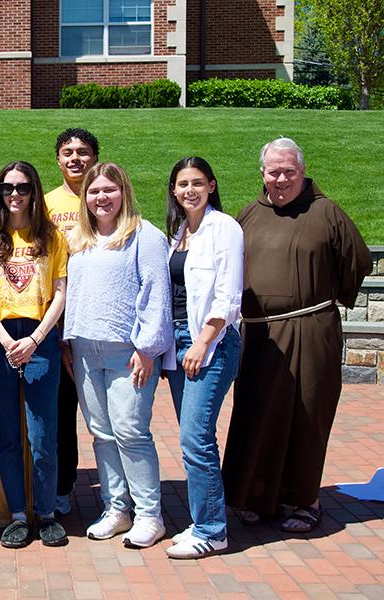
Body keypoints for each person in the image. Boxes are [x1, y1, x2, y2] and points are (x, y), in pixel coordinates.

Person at [222, 138, 371, 533]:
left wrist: (319, 298)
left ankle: (304, 500)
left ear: (303, 171)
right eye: (274, 171)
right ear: (262, 174)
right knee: (256, 416)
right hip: (259, 337)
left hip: (311, 330)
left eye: (290, 170)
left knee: (307, 414)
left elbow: (356, 260)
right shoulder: (248, 215)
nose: (282, 178)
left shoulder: (327, 213)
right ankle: (256, 496)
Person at [64, 162, 172, 549]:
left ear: (123, 191)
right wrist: (67, 342)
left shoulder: (145, 236)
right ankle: (116, 508)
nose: (101, 197)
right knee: (102, 433)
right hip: (85, 350)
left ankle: (149, 514)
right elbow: (72, 293)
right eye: (94, 191)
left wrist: (147, 348)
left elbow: (156, 295)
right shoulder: (80, 239)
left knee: (130, 431)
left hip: (129, 351)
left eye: (109, 190)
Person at [0, 161, 69, 549]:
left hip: (40, 336)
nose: (15, 194)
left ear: (34, 191)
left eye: (23, 187)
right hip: (0, 341)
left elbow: (60, 291)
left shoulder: (52, 236)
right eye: (9, 188)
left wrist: (37, 337)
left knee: (43, 434)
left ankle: (45, 513)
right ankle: (16, 515)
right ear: (0, 193)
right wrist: (1, 336)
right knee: (8, 432)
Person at [160, 157, 243, 559]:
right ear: (173, 190)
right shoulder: (180, 232)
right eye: (181, 184)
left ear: (211, 185)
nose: (188, 190)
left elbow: (229, 297)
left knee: (196, 438)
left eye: (197, 182)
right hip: (179, 344)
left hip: (210, 342)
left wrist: (202, 342)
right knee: (191, 437)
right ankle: (202, 518)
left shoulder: (223, 228)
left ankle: (212, 530)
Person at [45, 127, 100, 516]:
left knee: (107, 415)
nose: (75, 158)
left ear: (95, 157)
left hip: (101, 322)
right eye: (68, 152)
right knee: (62, 413)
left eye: (83, 152)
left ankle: (121, 491)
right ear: (58, 159)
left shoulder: (110, 196)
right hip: (59, 322)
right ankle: (63, 487)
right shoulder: (46, 204)